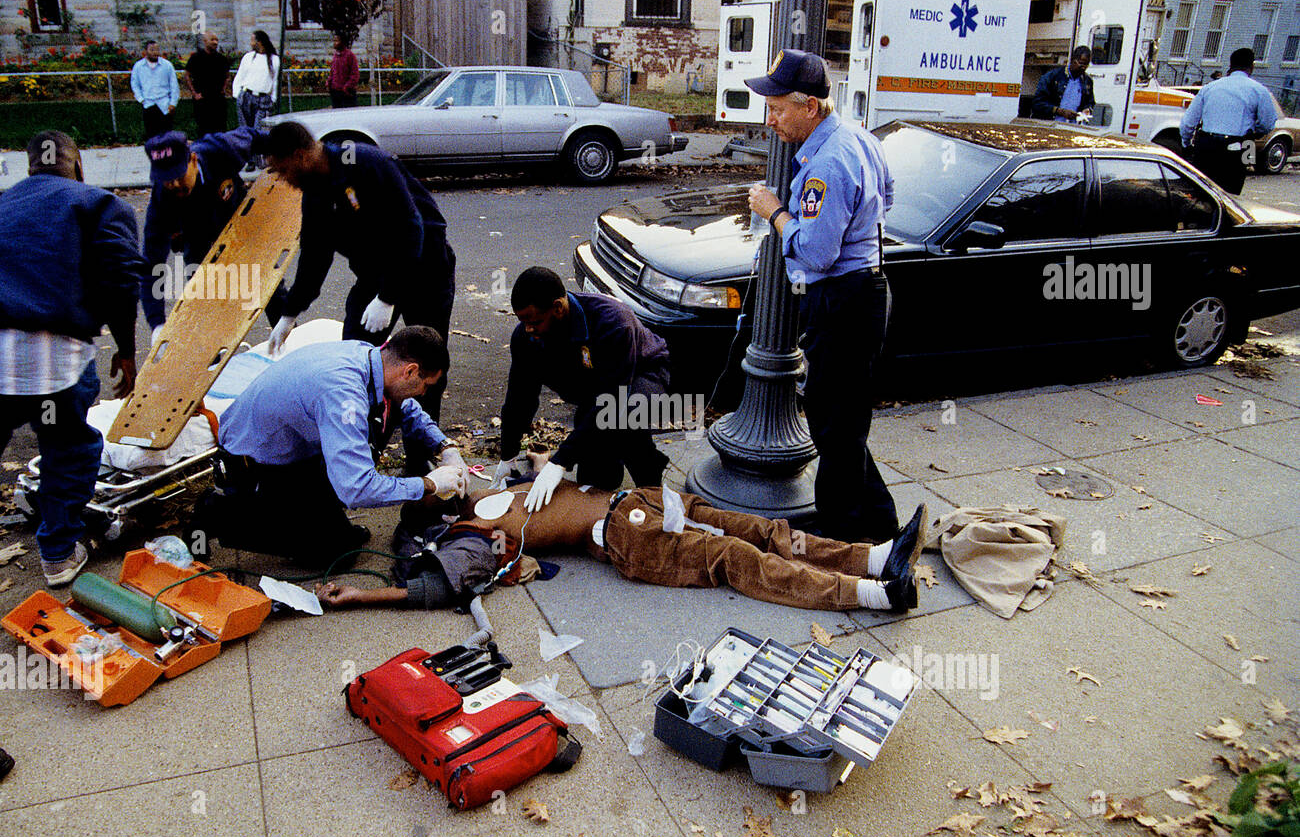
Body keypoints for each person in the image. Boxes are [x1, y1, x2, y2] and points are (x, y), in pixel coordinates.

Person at [316, 452, 927, 613]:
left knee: (761, 528)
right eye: (438, 492)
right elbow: (444, 587)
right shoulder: (476, 531)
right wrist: (363, 594)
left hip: (645, 501)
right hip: (628, 538)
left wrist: (463, 465)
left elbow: (517, 461)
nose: (446, 485)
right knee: (737, 558)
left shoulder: (493, 488)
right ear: (443, 515)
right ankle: (878, 594)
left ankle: (872, 557)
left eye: (441, 482)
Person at [744, 49, 899, 545]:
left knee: (834, 427)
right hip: (863, 292)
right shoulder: (857, 137)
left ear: (809, 106)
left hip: (841, 300)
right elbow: (888, 197)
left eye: (777, 108)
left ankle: (840, 537)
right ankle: (878, 522)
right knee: (842, 422)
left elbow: (815, 253)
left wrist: (775, 212)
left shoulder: (827, 162)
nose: (770, 120)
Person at [199, 327, 471, 569]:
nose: (423, 393)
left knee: (343, 535)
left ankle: (319, 516)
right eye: (425, 385)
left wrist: (445, 446)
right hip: (255, 463)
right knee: (333, 554)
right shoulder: (344, 394)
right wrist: (427, 484)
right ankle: (218, 512)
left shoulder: (372, 358)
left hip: (296, 446)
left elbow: (406, 407)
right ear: (410, 370)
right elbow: (356, 488)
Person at [0, 130, 142, 586]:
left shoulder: (5, 203)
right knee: (69, 450)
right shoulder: (99, 205)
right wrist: (125, 350)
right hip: (53, 359)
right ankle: (58, 554)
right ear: (79, 165)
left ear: (29, 168)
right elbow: (120, 281)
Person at [262, 121, 457, 442]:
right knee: (356, 354)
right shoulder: (314, 192)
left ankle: (423, 450)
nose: (283, 180)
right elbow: (314, 256)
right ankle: (362, 441)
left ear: (299, 156)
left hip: (425, 267)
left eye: (281, 171)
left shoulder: (368, 164)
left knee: (425, 362)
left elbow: (412, 229)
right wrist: (289, 313)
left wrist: (388, 297)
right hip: (376, 272)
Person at [494, 267, 672, 514]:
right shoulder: (526, 337)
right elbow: (519, 397)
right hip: (595, 387)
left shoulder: (613, 322)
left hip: (640, 376)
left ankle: (650, 477)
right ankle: (612, 458)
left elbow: (613, 401)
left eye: (534, 322)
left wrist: (560, 462)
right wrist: (508, 454)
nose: (527, 329)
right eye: (522, 321)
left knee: (627, 421)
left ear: (557, 308)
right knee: (598, 478)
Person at [140, 127, 263, 335]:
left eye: (179, 175)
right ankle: (214, 362)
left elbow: (260, 138)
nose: (175, 184)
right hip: (199, 242)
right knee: (205, 309)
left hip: (241, 223)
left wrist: (280, 163)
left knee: (269, 287)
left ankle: (290, 345)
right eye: (167, 180)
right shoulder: (162, 200)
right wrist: (157, 324)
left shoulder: (221, 149)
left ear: (193, 160)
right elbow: (151, 264)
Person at [1180, 47, 1278, 195]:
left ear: (1230, 65)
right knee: (1232, 195)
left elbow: (1188, 123)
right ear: (1251, 67)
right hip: (1242, 147)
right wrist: (1255, 131)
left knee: (1202, 194)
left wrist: (1186, 144)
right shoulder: (1259, 90)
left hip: (1207, 145)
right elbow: (1268, 123)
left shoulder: (1210, 87)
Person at [130, 40, 180, 141]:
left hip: (165, 105)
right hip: (148, 104)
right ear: (146, 51)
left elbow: (174, 85)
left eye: (157, 50)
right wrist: (141, 99)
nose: (155, 52)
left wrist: (173, 103)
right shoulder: (138, 66)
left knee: (167, 136)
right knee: (152, 136)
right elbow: (135, 84)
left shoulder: (167, 65)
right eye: (152, 50)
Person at [185, 31, 231, 138]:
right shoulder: (196, 58)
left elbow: (227, 76)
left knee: (220, 129)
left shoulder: (221, 59)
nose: (215, 42)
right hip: (202, 100)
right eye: (212, 40)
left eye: (217, 40)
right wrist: (194, 93)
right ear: (205, 41)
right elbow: (187, 75)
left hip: (218, 100)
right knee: (203, 130)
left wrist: (224, 89)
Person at [1032, 46, 1095, 123]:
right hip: (1051, 124)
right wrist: (1059, 111)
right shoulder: (1052, 77)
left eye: (1086, 65)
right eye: (1081, 64)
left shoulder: (1087, 81)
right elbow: (1037, 103)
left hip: (1072, 126)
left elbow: (1090, 102)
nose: (1083, 68)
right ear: (1072, 59)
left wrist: (1087, 109)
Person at [233, 30, 279, 134]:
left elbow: (275, 80)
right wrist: (237, 94)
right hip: (246, 96)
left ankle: (258, 150)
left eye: (252, 40)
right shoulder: (248, 57)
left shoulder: (274, 60)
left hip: (263, 99)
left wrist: (273, 98)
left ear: (259, 42)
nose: (251, 43)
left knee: (259, 130)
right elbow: (240, 75)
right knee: (245, 130)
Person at [328, 33, 360, 108]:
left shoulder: (350, 55)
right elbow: (333, 72)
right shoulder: (335, 56)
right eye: (334, 41)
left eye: (337, 41)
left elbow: (355, 75)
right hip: (335, 92)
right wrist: (329, 83)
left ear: (342, 42)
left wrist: (347, 87)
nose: (334, 43)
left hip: (347, 93)